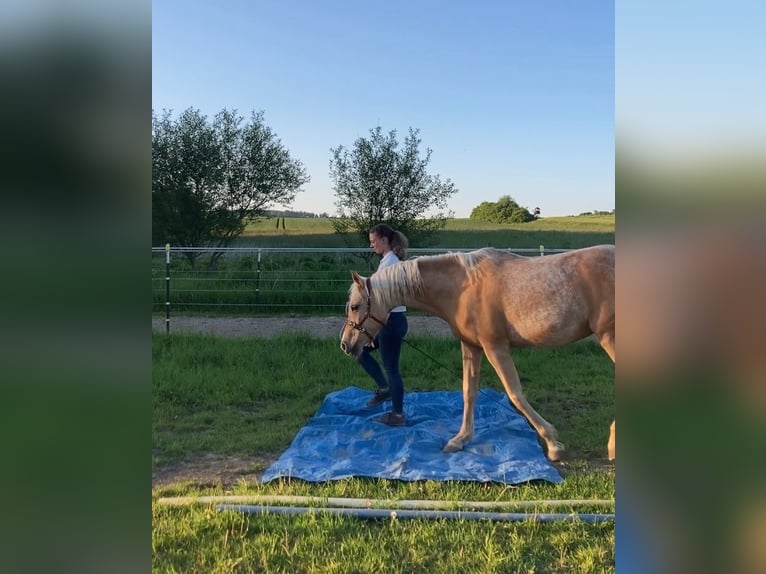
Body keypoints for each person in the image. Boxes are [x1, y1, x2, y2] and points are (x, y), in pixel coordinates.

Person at [357, 223, 409, 426]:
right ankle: (385, 389)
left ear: (384, 240)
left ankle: (397, 415)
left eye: (373, 241)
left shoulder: (390, 263)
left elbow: (383, 297)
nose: (371, 246)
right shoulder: (387, 261)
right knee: (360, 351)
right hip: (389, 322)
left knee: (392, 370)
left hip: (391, 323)